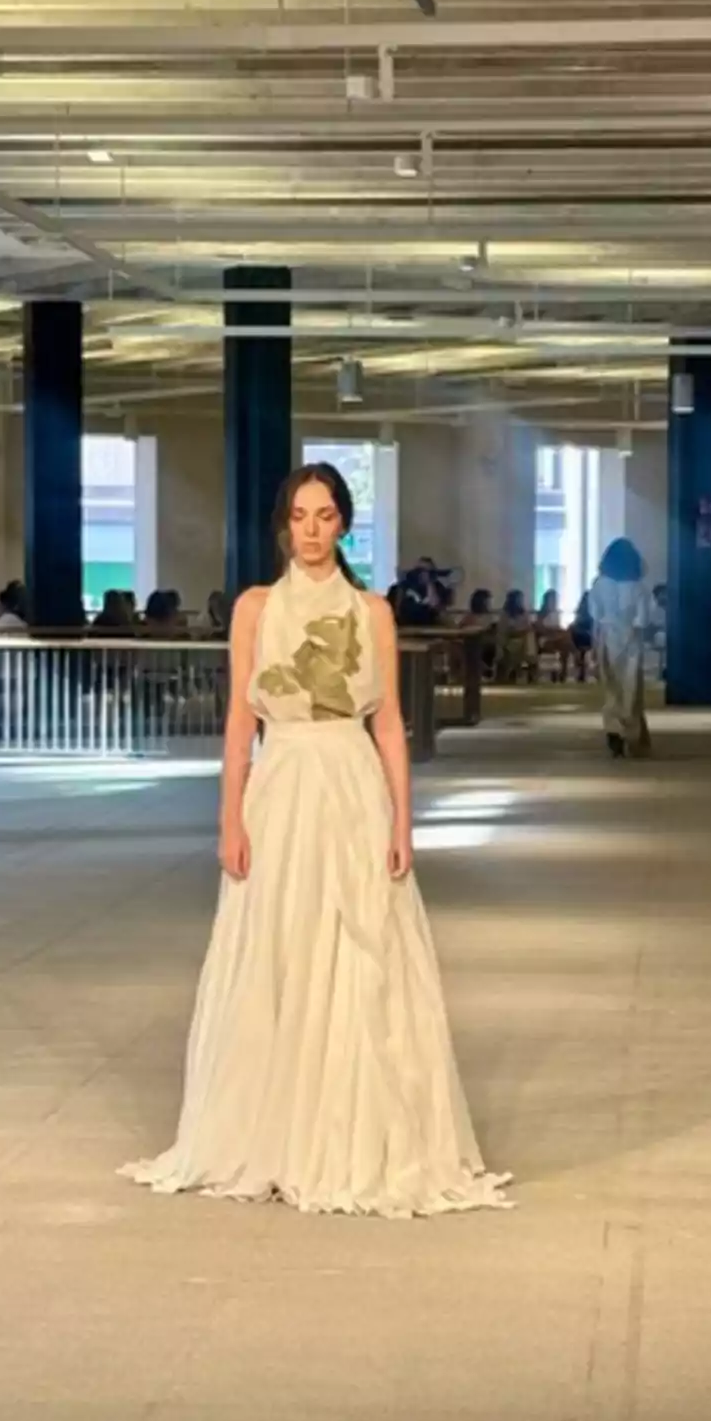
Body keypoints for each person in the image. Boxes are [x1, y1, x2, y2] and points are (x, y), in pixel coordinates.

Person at [118, 462, 511, 1218]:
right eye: (299, 515)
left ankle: (356, 1136)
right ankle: (271, 1133)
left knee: (361, 951)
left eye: (324, 516)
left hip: (352, 784)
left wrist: (403, 819)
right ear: (282, 524)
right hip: (280, 786)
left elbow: (389, 721)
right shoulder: (255, 609)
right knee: (277, 950)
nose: (310, 530)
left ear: (344, 524)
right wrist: (229, 816)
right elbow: (240, 718)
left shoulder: (373, 612)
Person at [589, 537, 651, 759]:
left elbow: (596, 620)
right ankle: (632, 733)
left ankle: (613, 731)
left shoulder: (599, 584)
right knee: (631, 690)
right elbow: (642, 621)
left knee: (611, 689)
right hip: (631, 642)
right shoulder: (639, 587)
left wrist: (594, 651)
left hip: (606, 639)